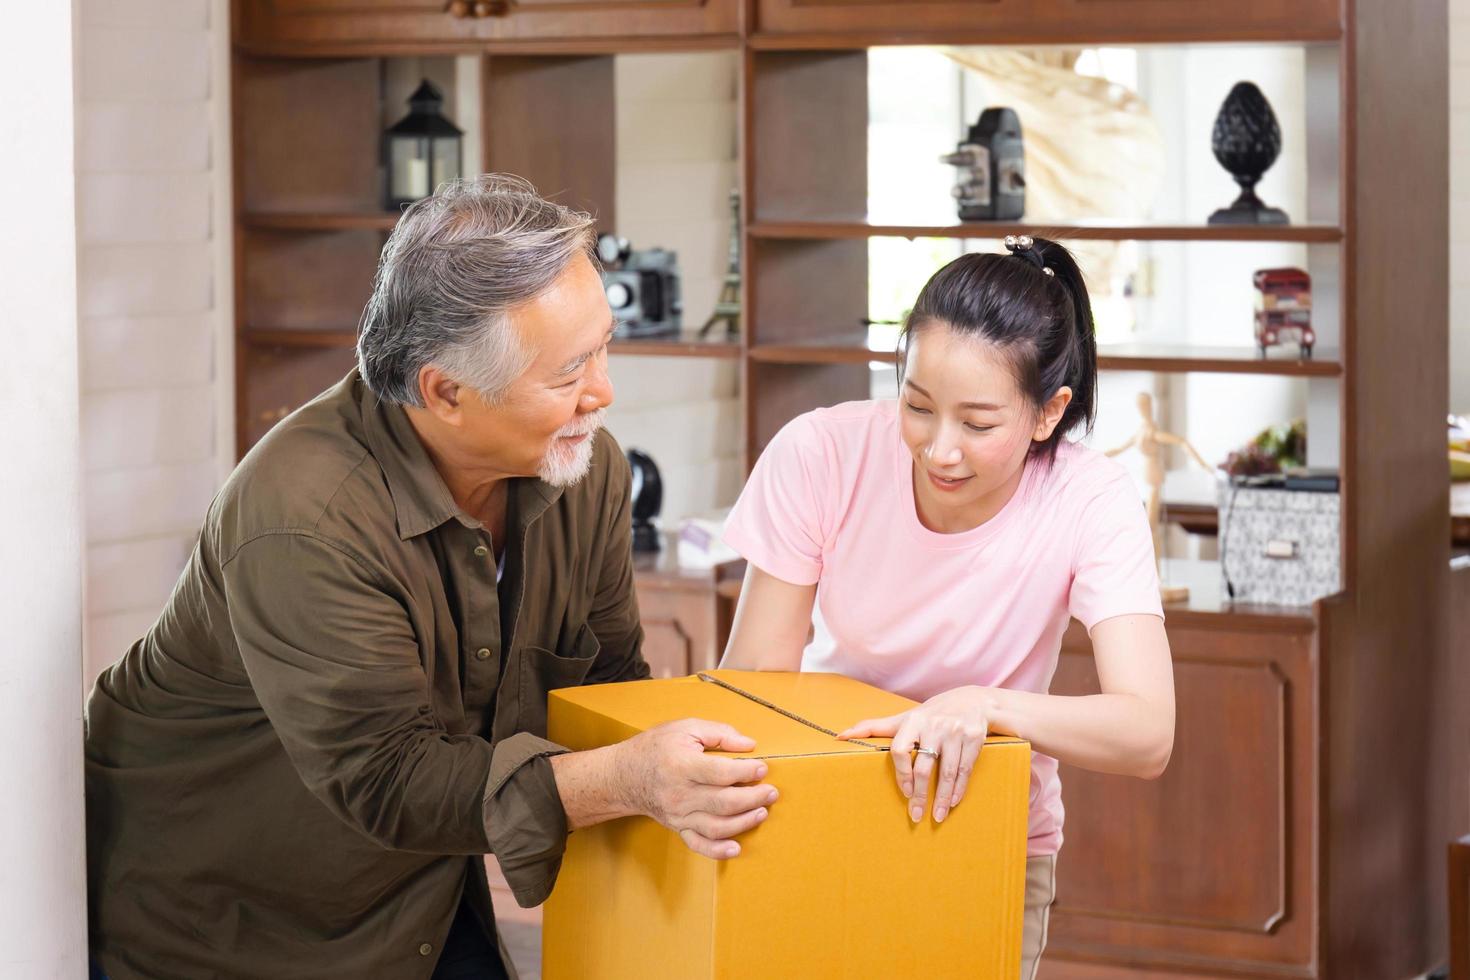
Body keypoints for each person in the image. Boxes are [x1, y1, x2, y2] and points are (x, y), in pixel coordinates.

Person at [85, 175, 776, 980]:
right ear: (444, 391)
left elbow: (611, 685)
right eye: (568, 374)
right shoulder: (303, 517)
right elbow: (389, 777)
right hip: (226, 924)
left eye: (604, 346)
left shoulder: (585, 471)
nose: (604, 393)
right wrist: (629, 779)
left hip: (422, 888)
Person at [719, 235, 1176, 980]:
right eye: (917, 406)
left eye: (979, 423)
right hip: (818, 818)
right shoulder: (822, 453)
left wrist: (980, 706)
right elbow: (754, 684)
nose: (939, 450)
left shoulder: (1089, 498)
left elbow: (1147, 731)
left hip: (993, 839)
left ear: (1047, 413)